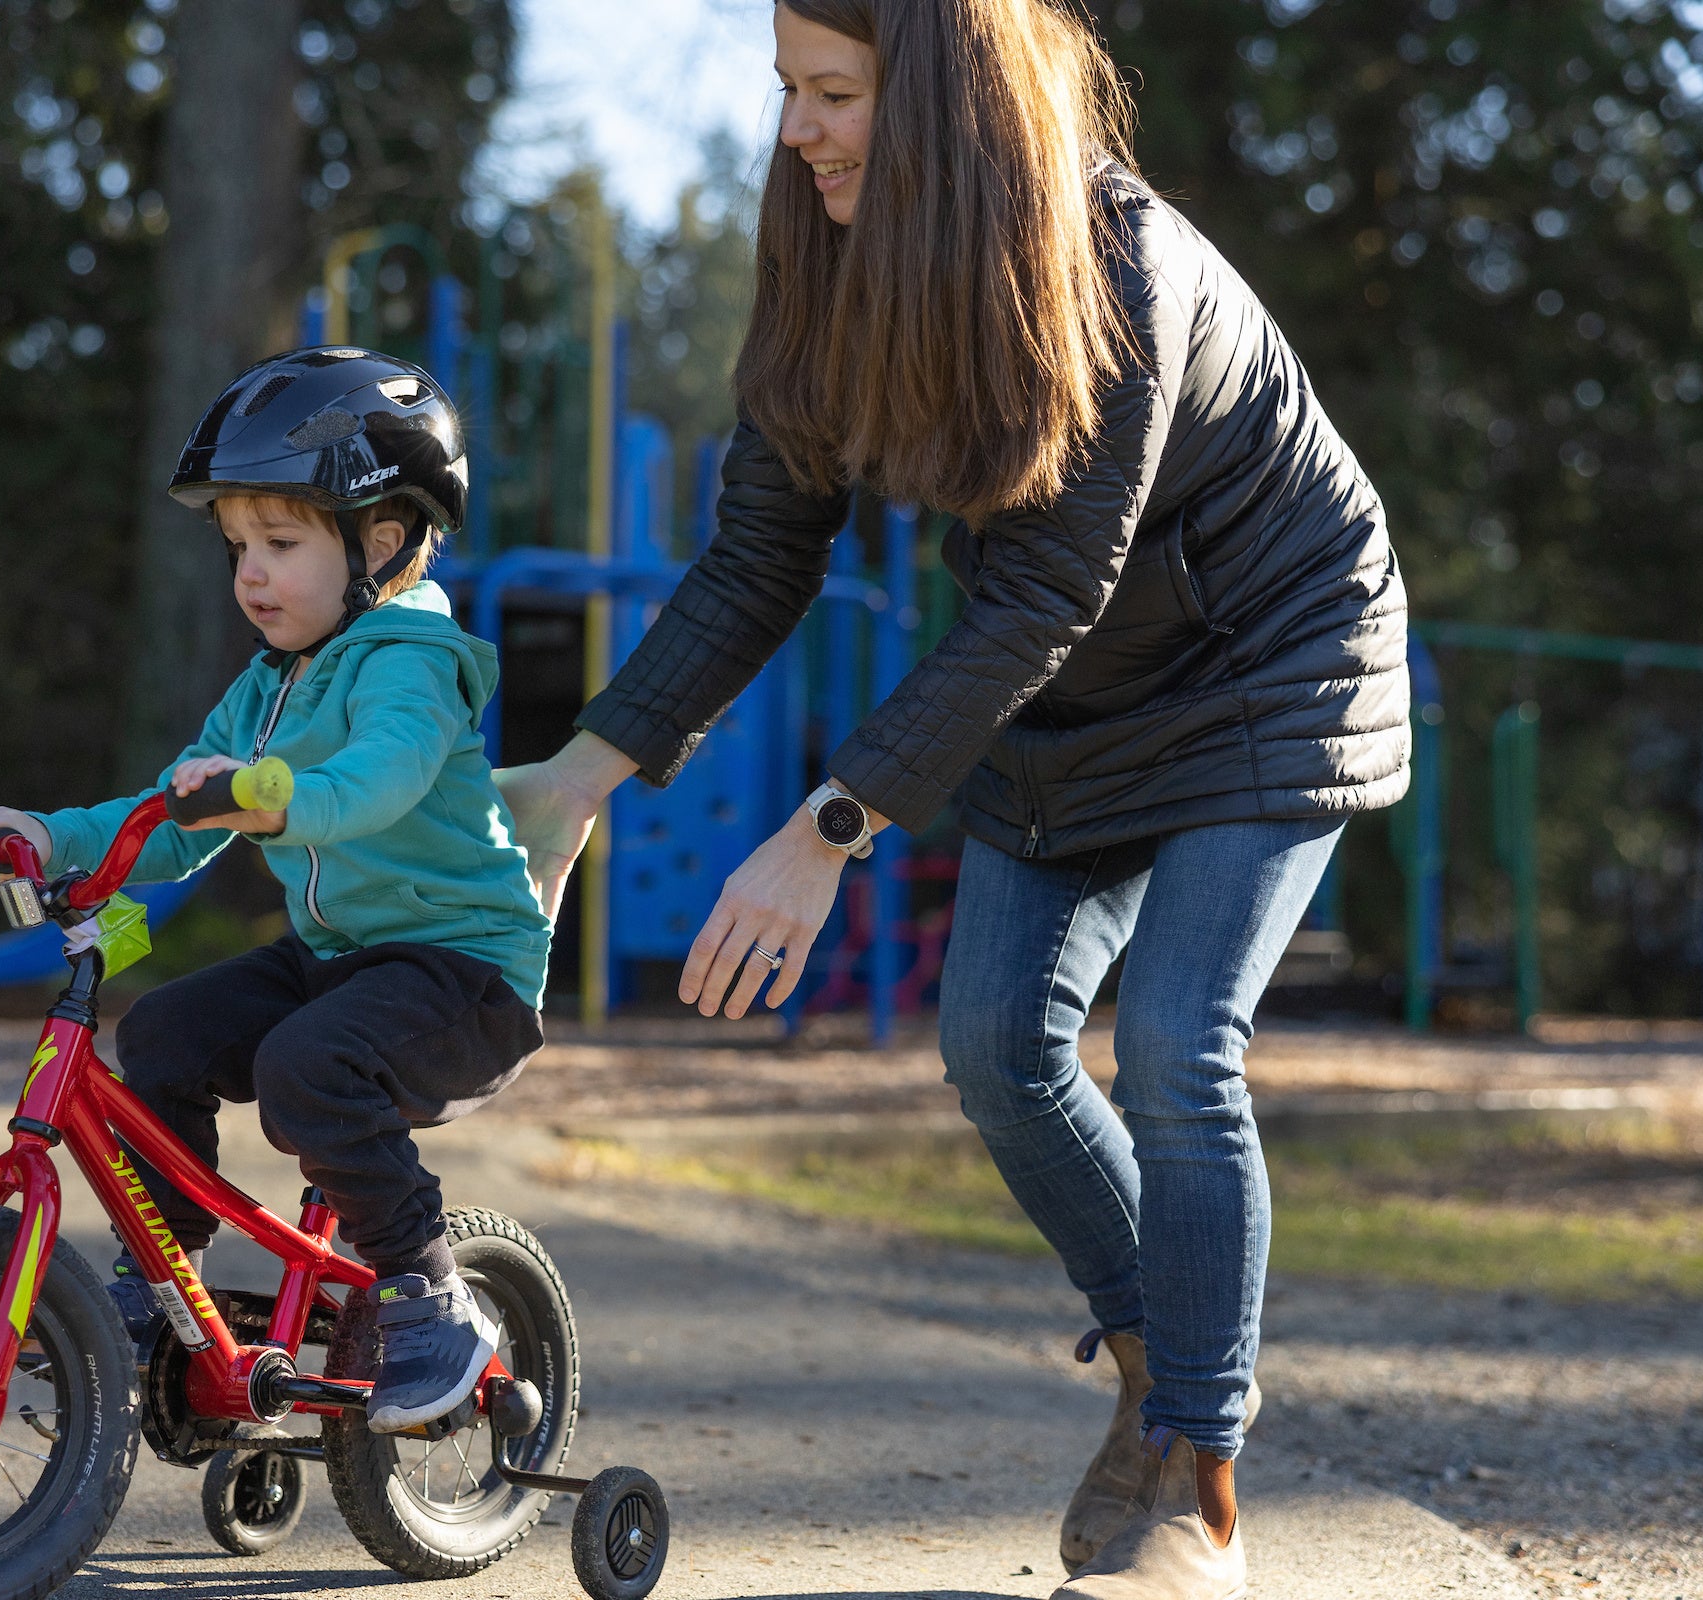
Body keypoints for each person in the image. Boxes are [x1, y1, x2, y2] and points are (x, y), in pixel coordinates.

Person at [496, 1, 1407, 1594]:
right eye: (788, 89)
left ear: (945, 104)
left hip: (1276, 662)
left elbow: (1046, 584)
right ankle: (1156, 1357)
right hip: (1081, 691)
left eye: (834, 92)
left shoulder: (1114, 263)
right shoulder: (829, 256)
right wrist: (584, 769)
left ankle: (1195, 1480)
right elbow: (764, 550)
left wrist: (830, 827)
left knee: (1182, 1048)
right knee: (995, 1045)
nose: (797, 131)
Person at [0, 348, 550, 1436]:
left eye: (281, 543)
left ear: (381, 541)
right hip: (341, 956)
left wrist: (276, 801)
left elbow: (381, 779)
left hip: (463, 971)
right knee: (167, 1035)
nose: (252, 573)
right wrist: (46, 834)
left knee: (304, 1068)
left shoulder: (410, 656)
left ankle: (429, 1295)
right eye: (239, 546)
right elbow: (165, 820)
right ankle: (171, 1287)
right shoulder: (266, 685)